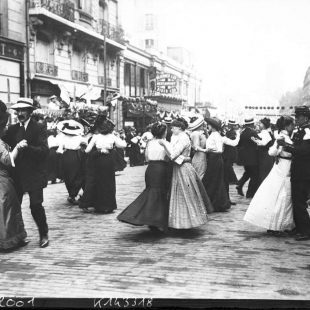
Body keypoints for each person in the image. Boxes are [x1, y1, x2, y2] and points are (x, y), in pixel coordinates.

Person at [3, 98, 49, 248]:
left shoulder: (39, 128)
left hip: (35, 174)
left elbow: (44, 151)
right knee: (15, 207)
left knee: (36, 206)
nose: (20, 113)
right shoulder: (12, 129)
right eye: (18, 110)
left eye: (23, 110)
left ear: (30, 112)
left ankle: (43, 234)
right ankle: (18, 237)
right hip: (16, 176)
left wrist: (26, 147)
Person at [243, 116, 295, 234]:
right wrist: (279, 148)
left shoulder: (286, 136)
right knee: (281, 194)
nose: (293, 127)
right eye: (292, 125)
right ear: (286, 126)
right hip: (283, 166)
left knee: (281, 194)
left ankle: (280, 224)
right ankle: (276, 224)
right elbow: (272, 152)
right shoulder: (282, 137)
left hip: (283, 166)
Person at [159, 117, 213, 229]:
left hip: (182, 168)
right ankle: (180, 221)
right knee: (181, 194)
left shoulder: (183, 138)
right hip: (180, 166)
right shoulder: (179, 136)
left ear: (179, 128)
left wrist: (164, 145)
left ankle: (185, 222)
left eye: (173, 128)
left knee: (183, 194)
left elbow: (173, 154)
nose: (171, 130)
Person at [117, 122, 171, 232]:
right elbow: (171, 156)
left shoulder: (150, 143)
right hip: (161, 168)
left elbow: (146, 157)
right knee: (161, 194)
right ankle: (158, 220)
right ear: (164, 132)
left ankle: (150, 218)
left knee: (151, 192)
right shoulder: (165, 143)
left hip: (151, 168)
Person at [80, 116, 127, 214]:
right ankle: (108, 205)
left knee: (98, 182)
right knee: (109, 183)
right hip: (109, 160)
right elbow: (123, 145)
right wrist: (119, 138)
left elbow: (87, 150)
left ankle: (99, 205)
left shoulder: (96, 137)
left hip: (98, 160)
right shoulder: (112, 136)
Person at [278, 106, 310, 241]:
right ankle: (300, 227)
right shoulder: (300, 130)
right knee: (295, 200)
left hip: (304, 171)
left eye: (299, 117)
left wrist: (286, 145)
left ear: (306, 118)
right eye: (296, 117)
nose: (296, 119)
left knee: (300, 201)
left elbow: (303, 151)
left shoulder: (308, 131)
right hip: (297, 170)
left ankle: (306, 231)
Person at [0, 101, 28, 252]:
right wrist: (17, 147)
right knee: (8, 210)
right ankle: (9, 241)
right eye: (3, 126)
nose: (6, 128)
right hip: (3, 182)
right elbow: (8, 160)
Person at [202, 117, 236, 212]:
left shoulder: (216, 135)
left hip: (215, 158)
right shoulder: (213, 134)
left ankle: (217, 203)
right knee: (213, 180)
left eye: (208, 125)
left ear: (212, 126)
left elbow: (220, 150)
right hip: (213, 159)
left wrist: (209, 150)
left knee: (213, 180)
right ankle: (216, 202)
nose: (207, 126)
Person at [56, 120, 86, 205]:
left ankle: (71, 195)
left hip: (66, 156)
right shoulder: (80, 138)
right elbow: (85, 145)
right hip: (76, 156)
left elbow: (59, 150)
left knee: (68, 176)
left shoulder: (63, 138)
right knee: (78, 175)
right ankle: (73, 194)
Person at [236, 118, 260, 198]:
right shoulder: (253, 132)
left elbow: (239, 144)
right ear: (251, 124)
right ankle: (250, 193)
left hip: (244, 158)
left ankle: (240, 184)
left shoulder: (242, 132)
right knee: (254, 175)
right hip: (252, 157)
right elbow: (259, 141)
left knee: (248, 172)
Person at [251, 118, 274, 186]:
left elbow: (263, 143)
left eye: (260, 123)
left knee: (264, 173)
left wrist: (254, 140)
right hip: (263, 156)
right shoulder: (263, 132)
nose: (259, 125)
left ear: (264, 125)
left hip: (266, 156)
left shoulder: (266, 133)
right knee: (263, 173)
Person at [223, 120, 239, 205]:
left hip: (227, 158)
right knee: (225, 180)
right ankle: (226, 199)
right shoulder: (232, 133)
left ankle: (227, 199)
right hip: (228, 158)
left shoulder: (229, 132)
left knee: (226, 180)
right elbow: (233, 144)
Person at [188, 115, 207, 179]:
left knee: (200, 173)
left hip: (201, 155)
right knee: (199, 174)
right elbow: (196, 146)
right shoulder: (195, 133)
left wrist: (206, 131)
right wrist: (204, 150)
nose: (203, 126)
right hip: (199, 156)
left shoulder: (199, 133)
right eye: (202, 125)